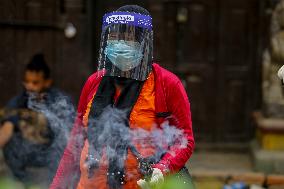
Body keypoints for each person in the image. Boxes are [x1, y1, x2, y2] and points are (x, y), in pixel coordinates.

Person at [50, 5, 195, 189]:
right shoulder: (95, 81)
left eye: (128, 39)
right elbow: (76, 141)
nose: (119, 45)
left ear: (144, 43)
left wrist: (162, 169)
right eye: (114, 38)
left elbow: (185, 140)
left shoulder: (167, 84)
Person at [0, 53, 74, 187]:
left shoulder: (60, 102)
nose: (29, 86)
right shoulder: (19, 102)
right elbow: (6, 129)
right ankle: (24, 183)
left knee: (62, 144)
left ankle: (56, 184)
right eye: (26, 82)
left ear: (47, 82)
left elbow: (69, 134)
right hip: (28, 153)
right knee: (10, 145)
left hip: (52, 153)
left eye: (35, 83)